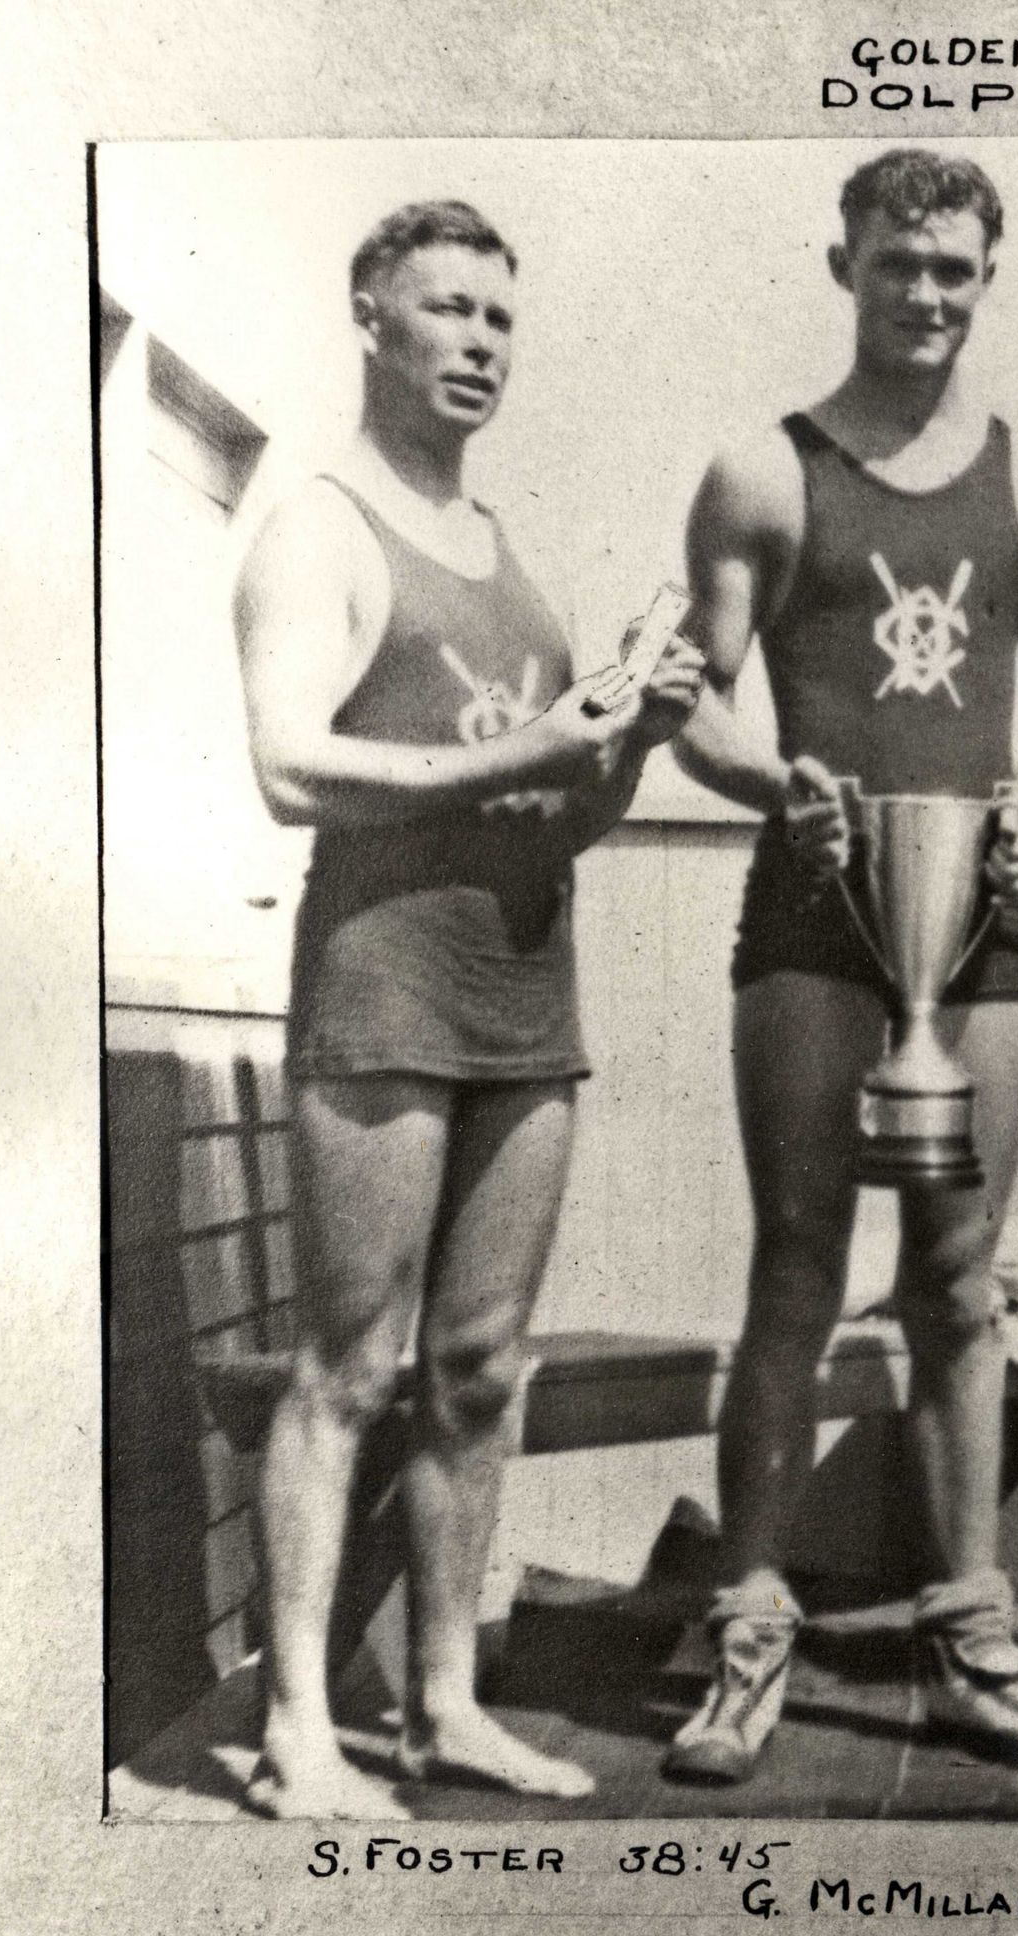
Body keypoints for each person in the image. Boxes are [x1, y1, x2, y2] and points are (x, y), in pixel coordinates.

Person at [232, 199, 704, 1817]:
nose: (480, 344)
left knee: (485, 1366)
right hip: (385, 986)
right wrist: (524, 749)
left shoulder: (504, 546)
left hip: (524, 992)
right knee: (347, 1367)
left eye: (501, 319)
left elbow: (556, 810)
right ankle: (300, 1732)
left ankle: (444, 1706)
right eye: (447, 310)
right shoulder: (320, 525)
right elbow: (289, 764)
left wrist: (630, 746)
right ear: (371, 316)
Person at [665, 150, 1018, 1783]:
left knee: (961, 1276)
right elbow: (696, 701)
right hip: (815, 916)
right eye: (898, 262)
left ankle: (974, 1638)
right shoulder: (763, 474)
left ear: (989, 276)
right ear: (843, 262)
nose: (925, 292)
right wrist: (769, 779)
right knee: (796, 1263)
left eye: (954, 268)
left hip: (979, 917)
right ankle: (750, 1631)